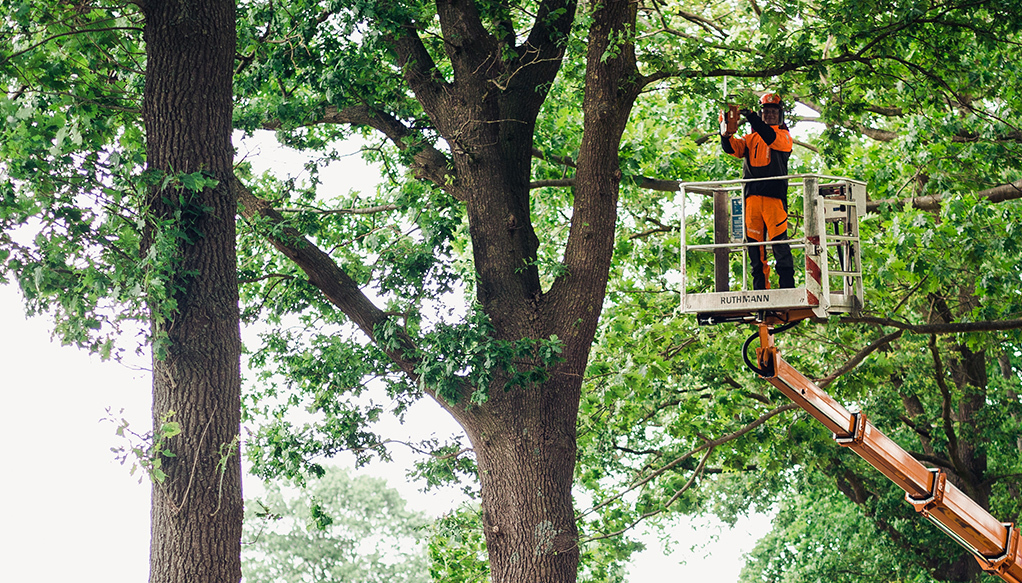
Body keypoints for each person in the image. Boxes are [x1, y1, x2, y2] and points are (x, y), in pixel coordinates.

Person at [720, 93, 795, 290]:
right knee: (755, 248)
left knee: (779, 244)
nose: (769, 115)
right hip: (752, 199)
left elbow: (771, 138)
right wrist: (725, 133)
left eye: (773, 112)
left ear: (780, 115)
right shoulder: (750, 139)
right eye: (766, 112)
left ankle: (787, 287)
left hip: (774, 199)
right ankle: (760, 291)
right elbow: (732, 149)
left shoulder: (784, 136)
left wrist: (753, 116)